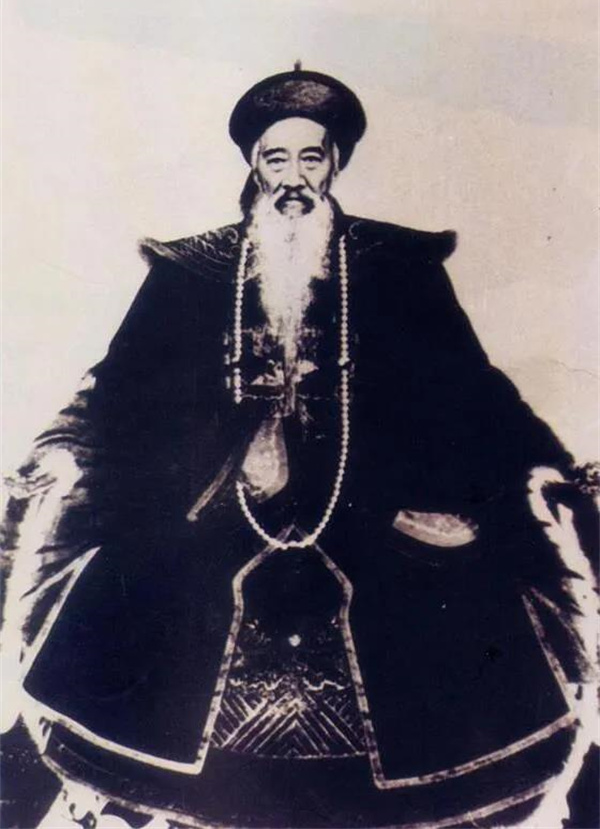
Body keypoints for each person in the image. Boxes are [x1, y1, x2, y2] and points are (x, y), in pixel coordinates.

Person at [1, 68, 597, 829]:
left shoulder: (398, 265)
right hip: (217, 507)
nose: (292, 179)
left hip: (376, 506)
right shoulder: (193, 269)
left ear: (334, 163)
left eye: (310, 158)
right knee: (135, 596)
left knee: (456, 610)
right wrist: (70, 452)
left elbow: (474, 394)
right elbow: (116, 392)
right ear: (254, 165)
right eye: (275, 159)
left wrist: (533, 470)